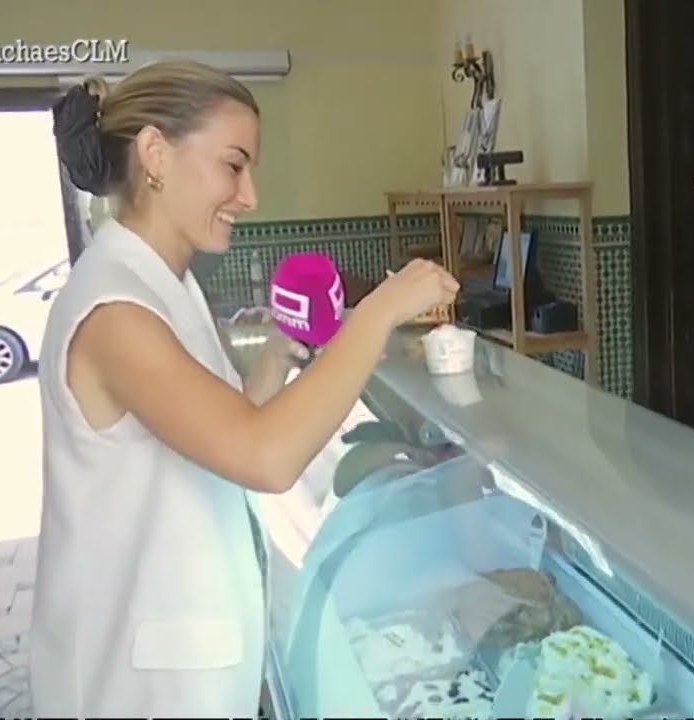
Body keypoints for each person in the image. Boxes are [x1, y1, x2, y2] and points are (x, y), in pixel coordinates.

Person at [31, 59, 459, 717]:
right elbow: (263, 456)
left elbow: (219, 434)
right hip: (132, 680)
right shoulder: (115, 311)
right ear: (155, 154)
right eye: (234, 166)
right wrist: (379, 311)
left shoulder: (167, 284)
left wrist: (275, 361)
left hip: (181, 660)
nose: (250, 195)